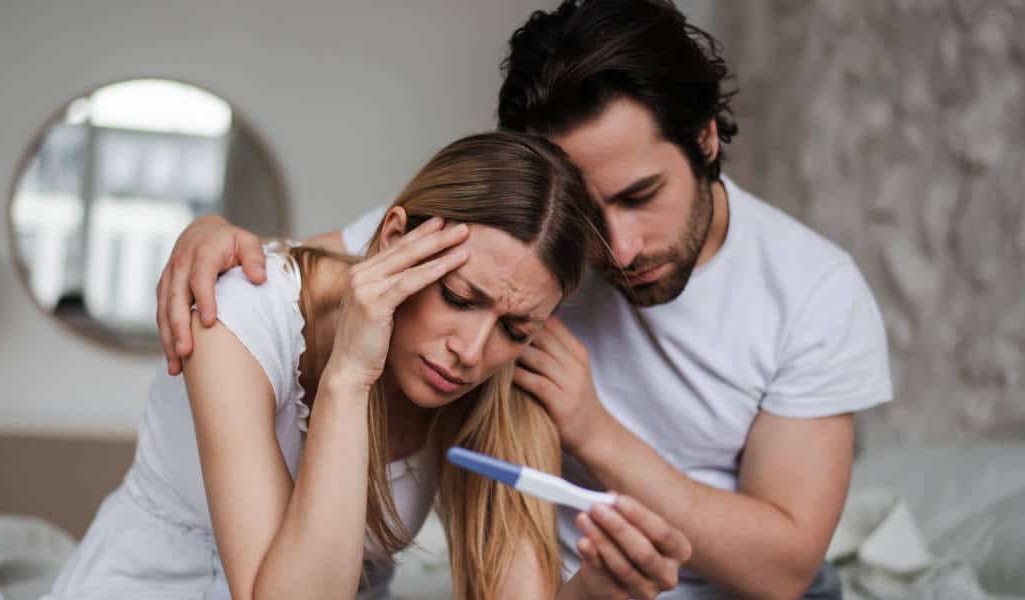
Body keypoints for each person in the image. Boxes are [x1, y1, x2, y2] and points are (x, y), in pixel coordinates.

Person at [156, 1, 892, 598]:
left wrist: (594, 432)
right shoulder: (515, 246)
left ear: (704, 140)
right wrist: (213, 232)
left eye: (642, 196)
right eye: (583, 213)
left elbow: (785, 569)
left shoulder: (813, 292)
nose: (619, 249)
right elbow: (314, 273)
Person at [45, 132, 691, 600]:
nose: (472, 351)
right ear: (392, 241)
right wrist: (349, 377)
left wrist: (600, 591)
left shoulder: (503, 378)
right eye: (459, 298)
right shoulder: (240, 317)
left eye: (515, 327)